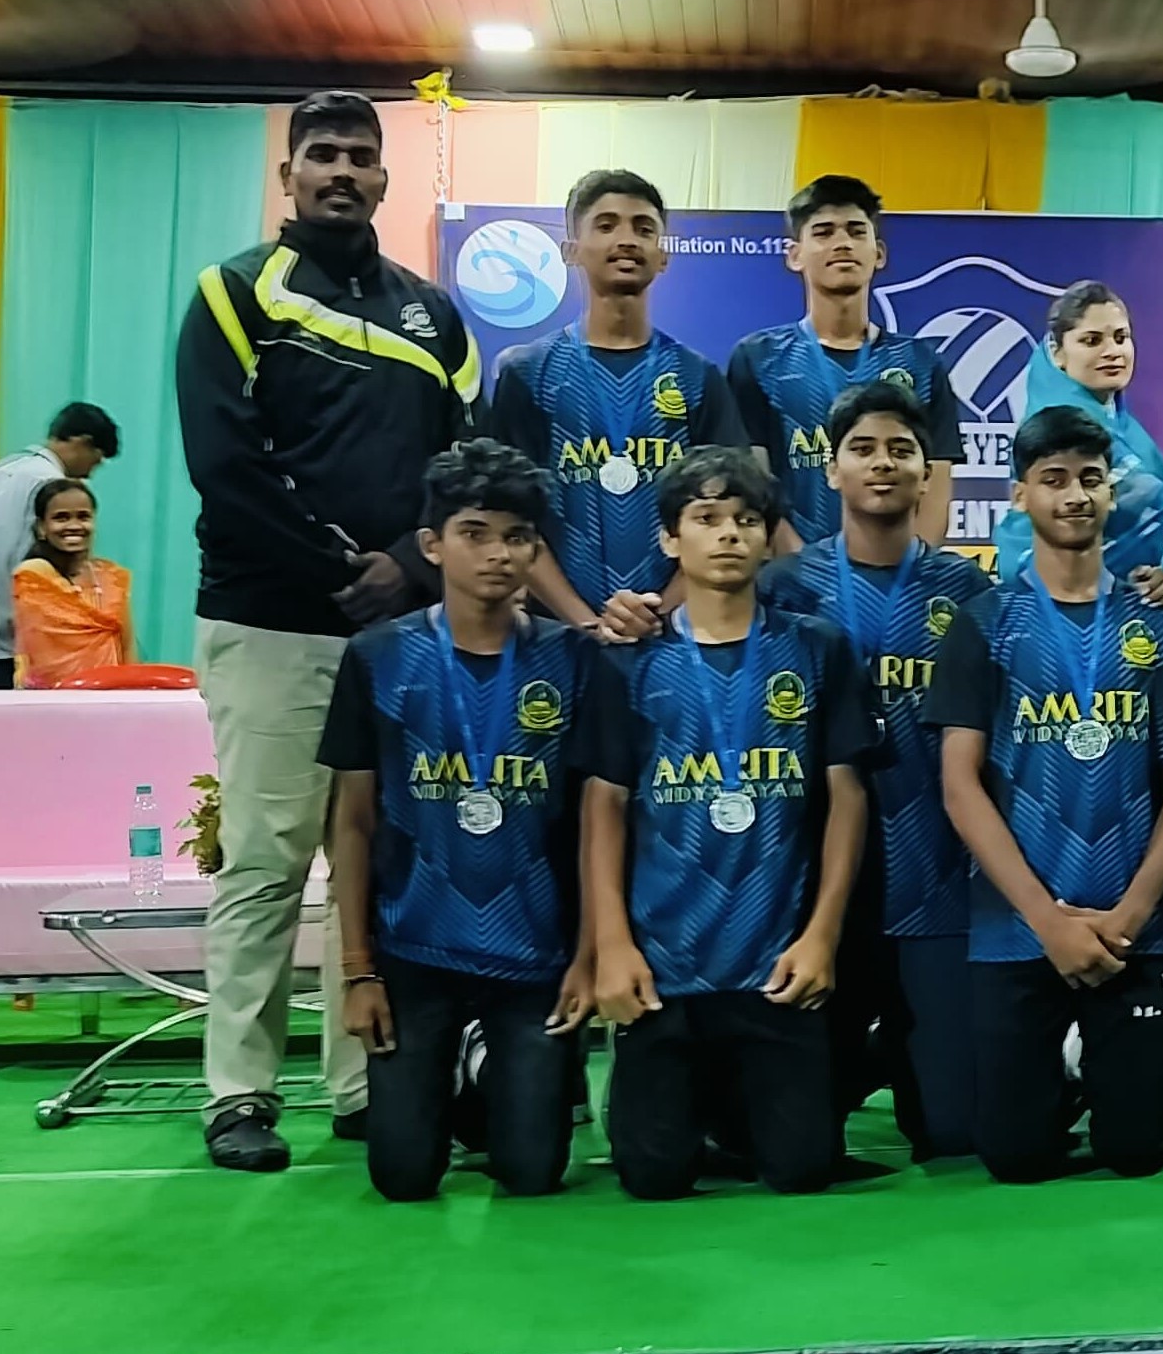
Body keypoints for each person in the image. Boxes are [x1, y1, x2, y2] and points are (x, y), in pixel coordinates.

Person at [178, 90, 478, 1171]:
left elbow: (462, 466)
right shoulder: (232, 293)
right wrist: (343, 569)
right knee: (267, 862)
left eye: (359, 155)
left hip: (400, 634)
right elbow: (226, 464)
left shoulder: (433, 315)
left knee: (380, 863)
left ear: (385, 179)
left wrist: (411, 562)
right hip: (268, 623)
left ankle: (362, 1085)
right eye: (323, 154)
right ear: (290, 175)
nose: (342, 171)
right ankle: (239, 1095)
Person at [574, 445, 877, 1198]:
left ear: (770, 536)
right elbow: (603, 807)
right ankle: (690, 1105)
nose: (729, 535)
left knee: (802, 1170)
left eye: (746, 519)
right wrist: (612, 946)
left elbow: (846, 796)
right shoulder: (630, 661)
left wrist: (822, 937)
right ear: (670, 538)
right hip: (664, 969)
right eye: (706, 519)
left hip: (776, 967)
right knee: (653, 1178)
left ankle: (743, 1109)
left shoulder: (817, 649)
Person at [929, 404, 1163, 1181]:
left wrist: (1131, 915)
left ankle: (1116, 1074)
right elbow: (959, 785)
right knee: (1015, 1158)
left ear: (1109, 492)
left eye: (1090, 478)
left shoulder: (1161, 621)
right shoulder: (984, 624)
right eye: (1052, 479)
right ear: (1019, 495)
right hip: (1019, 931)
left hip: (1135, 934)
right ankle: (1059, 1074)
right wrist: (1046, 921)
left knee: (1135, 1152)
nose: (1073, 495)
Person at [319, 441, 595, 1200]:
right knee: (402, 1178)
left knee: (532, 1174)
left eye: (517, 536)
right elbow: (352, 824)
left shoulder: (573, 661)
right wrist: (359, 971)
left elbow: (595, 825)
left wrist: (587, 956)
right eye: (475, 533)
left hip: (534, 954)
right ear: (433, 545)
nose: (498, 553)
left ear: (536, 549)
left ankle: (489, 1070)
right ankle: (467, 1064)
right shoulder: (377, 657)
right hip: (415, 951)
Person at [761, 384, 995, 1153]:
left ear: (928, 472)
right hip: (816, 895)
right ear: (830, 470)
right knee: (790, 1142)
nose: (882, 463)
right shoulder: (783, 590)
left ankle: (906, 1053)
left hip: (935, 884)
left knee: (955, 1133)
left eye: (901, 449)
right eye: (862, 449)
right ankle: (861, 1056)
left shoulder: (969, 591)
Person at [482, 170, 745, 639]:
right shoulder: (527, 373)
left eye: (643, 228)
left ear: (663, 256)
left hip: (673, 635)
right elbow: (509, 516)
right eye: (606, 226)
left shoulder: (698, 377)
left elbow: (727, 513)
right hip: (557, 636)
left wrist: (657, 615)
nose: (626, 240)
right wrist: (584, 622)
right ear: (571, 250)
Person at [726, 176, 957, 554]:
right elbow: (754, 483)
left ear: (878, 253)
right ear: (795, 255)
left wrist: (909, 569)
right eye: (823, 232)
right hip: (792, 576)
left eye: (855, 231)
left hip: (899, 576)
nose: (842, 243)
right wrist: (804, 569)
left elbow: (936, 486)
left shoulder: (920, 363)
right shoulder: (757, 359)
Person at [988, 281, 1163, 598]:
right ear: (1057, 353)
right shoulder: (1056, 419)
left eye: (1121, 337)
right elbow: (1139, 498)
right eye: (1092, 340)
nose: (1112, 351)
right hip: (1046, 578)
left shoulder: (1119, 422)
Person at [0, 401, 116, 688]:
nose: (89, 474)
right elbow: (51, 565)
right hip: (7, 639)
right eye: (95, 461)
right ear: (83, 443)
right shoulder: (54, 486)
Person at [10, 480, 135, 685]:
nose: (74, 526)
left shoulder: (111, 577)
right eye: (61, 518)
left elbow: (127, 648)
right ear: (41, 528)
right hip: (52, 696)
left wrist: (133, 692)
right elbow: (40, 655)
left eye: (83, 516)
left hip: (109, 695)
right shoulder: (33, 575)